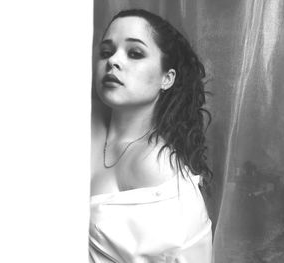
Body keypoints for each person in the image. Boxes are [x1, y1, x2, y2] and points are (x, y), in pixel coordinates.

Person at [89, 9, 213, 263]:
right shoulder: (79, 124)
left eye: (135, 53)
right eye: (105, 52)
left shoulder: (159, 165)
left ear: (166, 79)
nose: (113, 61)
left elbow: (190, 253)